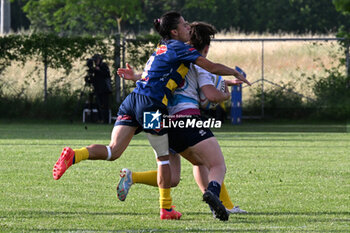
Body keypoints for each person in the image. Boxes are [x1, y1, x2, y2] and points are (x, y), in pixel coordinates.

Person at [52, 12, 250, 220]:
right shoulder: (182, 48)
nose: (187, 28)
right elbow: (210, 69)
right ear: (174, 31)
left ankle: (75, 155)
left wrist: (135, 76)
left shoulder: (162, 47)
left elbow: (159, 74)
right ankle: (166, 208)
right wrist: (234, 73)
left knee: (113, 150)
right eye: (184, 25)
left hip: (133, 99)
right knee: (164, 161)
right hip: (152, 107)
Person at [116, 22, 247, 221]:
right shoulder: (197, 61)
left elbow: (152, 78)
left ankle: (133, 177)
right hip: (187, 118)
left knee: (175, 175)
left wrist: (135, 76)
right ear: (206, 47)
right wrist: (225, 95)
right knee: (215, 163)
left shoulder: (170, 56)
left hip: (164, 121)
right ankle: (219, 200)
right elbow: (210, 94)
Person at [86, 54, 112, 124]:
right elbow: (95, 79)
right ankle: (100, 118)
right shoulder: (95, 68)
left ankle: (106, 120)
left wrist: (99, 70)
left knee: (105, 105)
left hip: (104, 89)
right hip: (97, 89)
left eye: (96, 60)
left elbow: (107, 75)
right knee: (98, 104)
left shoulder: (103, 66)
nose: (95, 61)